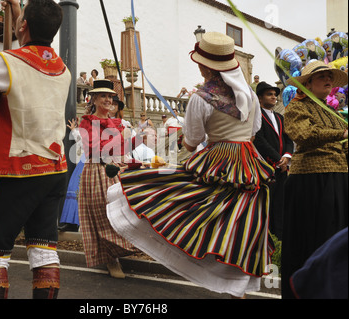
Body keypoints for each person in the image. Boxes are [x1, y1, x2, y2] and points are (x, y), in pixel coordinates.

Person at [106, 32, 274, 298]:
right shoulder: (251, 97)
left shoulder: (201, 98)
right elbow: (253, 132)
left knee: (194, 209)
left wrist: (191, 142)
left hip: (218, 158)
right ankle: (237, 287)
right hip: (248, 162)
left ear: (206, 66)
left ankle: (203, 262)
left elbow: (192, 142)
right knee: (242, 221)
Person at [0, 0, 71, 299]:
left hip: (14, 169)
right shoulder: (64, 69)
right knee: (44, 251)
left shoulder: (6, 61)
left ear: (23, 25)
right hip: (54, 169)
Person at [281, 60, 348, 299]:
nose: (329, 81)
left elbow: (345, 144)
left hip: (339, 178)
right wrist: (341, 133)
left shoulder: (334, 112)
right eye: (322, 78)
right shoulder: (297, 108)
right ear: (307, 83)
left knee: (335, 237)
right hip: (311, 181)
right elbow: (305, 135)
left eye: (330, 78)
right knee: (315, 238)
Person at [78, 79, 138, 279]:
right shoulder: (87, 122)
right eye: (102, 95)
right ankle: (111, 259)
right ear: (94, 98)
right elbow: (96, 149)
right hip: (98, 170)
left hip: (119, 169)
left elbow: (123, 149)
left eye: (110, 96)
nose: (107, 99)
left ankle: (127, 250)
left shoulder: (118, 122)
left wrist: (134, 139)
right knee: (103, 214)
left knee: (125, 212)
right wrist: (122, 137)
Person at [253, 81, 293, 240]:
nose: (274, 97)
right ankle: (267, 236)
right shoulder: (257, 117)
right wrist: (277, 159)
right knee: (268, 203)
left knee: (282, 202)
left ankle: (281, 236)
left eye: (275, 94)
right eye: (269, 94)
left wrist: (287, 156)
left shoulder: (280, 116)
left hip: (283, 167)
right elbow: (260, 141)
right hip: (266, 167)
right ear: (260, 98)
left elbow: (288, 139)